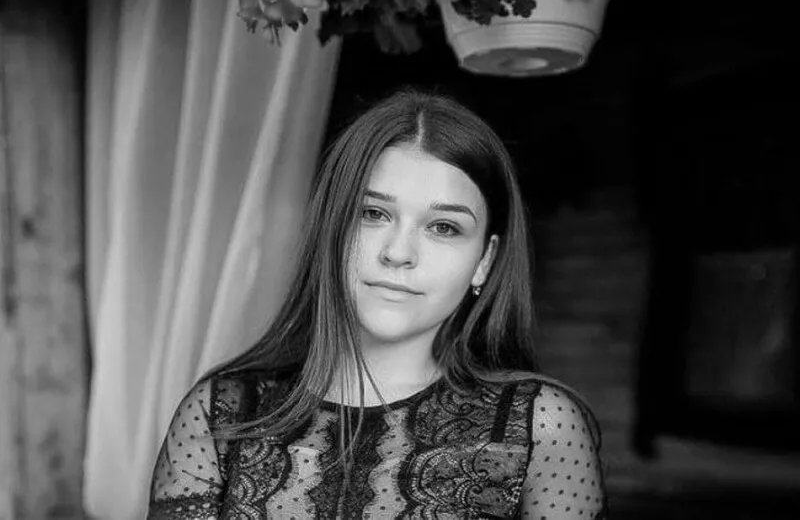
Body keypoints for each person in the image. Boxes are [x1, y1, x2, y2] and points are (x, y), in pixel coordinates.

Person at [147, 89, 607, 519]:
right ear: (331, 229)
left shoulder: (541, 426)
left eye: (444, 227)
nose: (399, 252)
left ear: (484, 261)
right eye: (373, 214)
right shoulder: (220, 413)